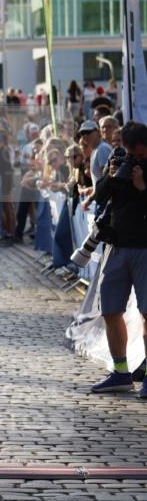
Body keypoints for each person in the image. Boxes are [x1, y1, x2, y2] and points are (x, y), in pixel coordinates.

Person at [88, 122, 147, 397]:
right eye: (127, 149)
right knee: (110, 310)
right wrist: (111, 176)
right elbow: (99, 196)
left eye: (135, 150)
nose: (132, 155)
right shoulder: (118, 160)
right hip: (117, 246)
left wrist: (142, 186)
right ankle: (121, 373)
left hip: (144, 248)